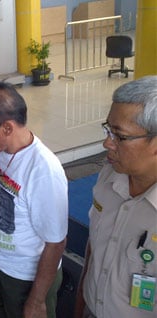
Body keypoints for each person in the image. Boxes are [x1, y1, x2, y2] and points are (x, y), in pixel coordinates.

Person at [0, 82, 68, 318]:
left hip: (26, 279)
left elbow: (55, 242)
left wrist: (36, 301)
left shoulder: (43, 171)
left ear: (6, 128)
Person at [74, 76, 157, 318]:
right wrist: (80, 303)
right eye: (107, 129)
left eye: (119, 136)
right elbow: (95, 247)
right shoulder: (110, 175)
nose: (106, 143)